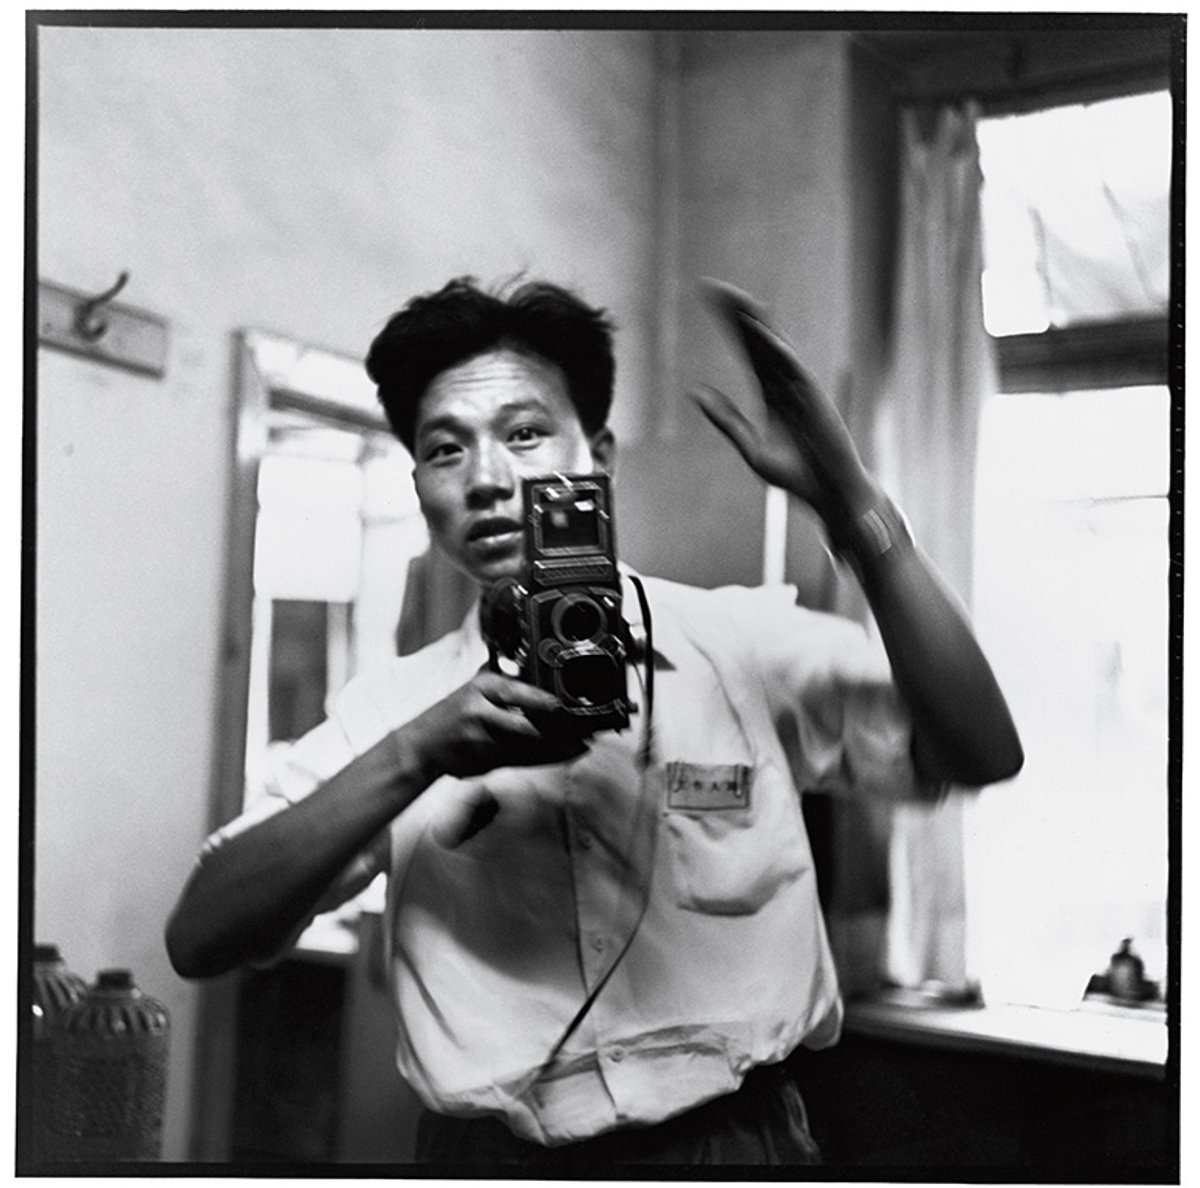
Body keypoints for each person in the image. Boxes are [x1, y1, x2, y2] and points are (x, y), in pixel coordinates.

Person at [166, 275, 1023, 1169]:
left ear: (599, 454)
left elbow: (982, 750)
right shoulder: (395, 709)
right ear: (418, 485)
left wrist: (854, 508)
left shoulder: (738, 643)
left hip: (734, 1148)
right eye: (445, 450)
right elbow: (201, 936)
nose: (490, 481)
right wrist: (417, 752)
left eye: (525, 434)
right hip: (492, 1158)